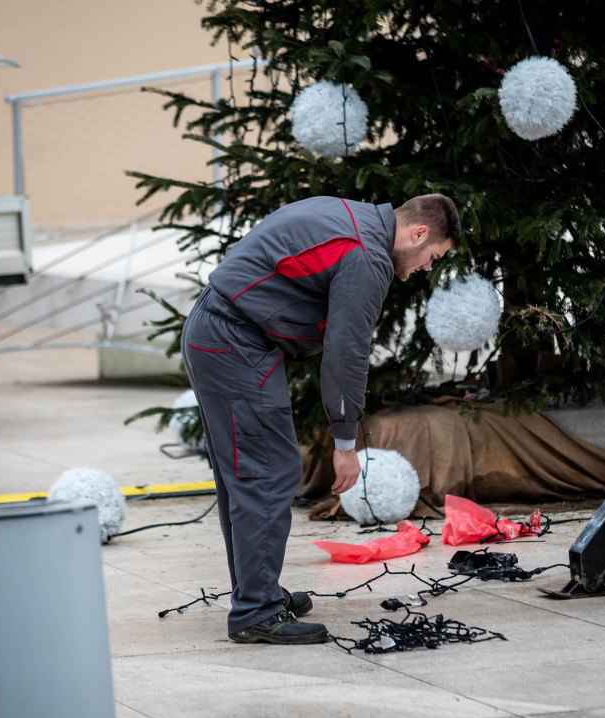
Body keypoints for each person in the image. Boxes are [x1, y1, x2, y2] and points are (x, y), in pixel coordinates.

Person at [182, 193, 460, 644]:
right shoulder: (368, 256)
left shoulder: (349, 215)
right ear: (419, 233)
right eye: (434, 256)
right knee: (267, 474)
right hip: (234, 340)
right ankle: (257, 612)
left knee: (248, 476)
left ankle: (259, 592)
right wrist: (345, 444)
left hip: (217, 328)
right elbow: (347, 353)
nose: (428, 267)